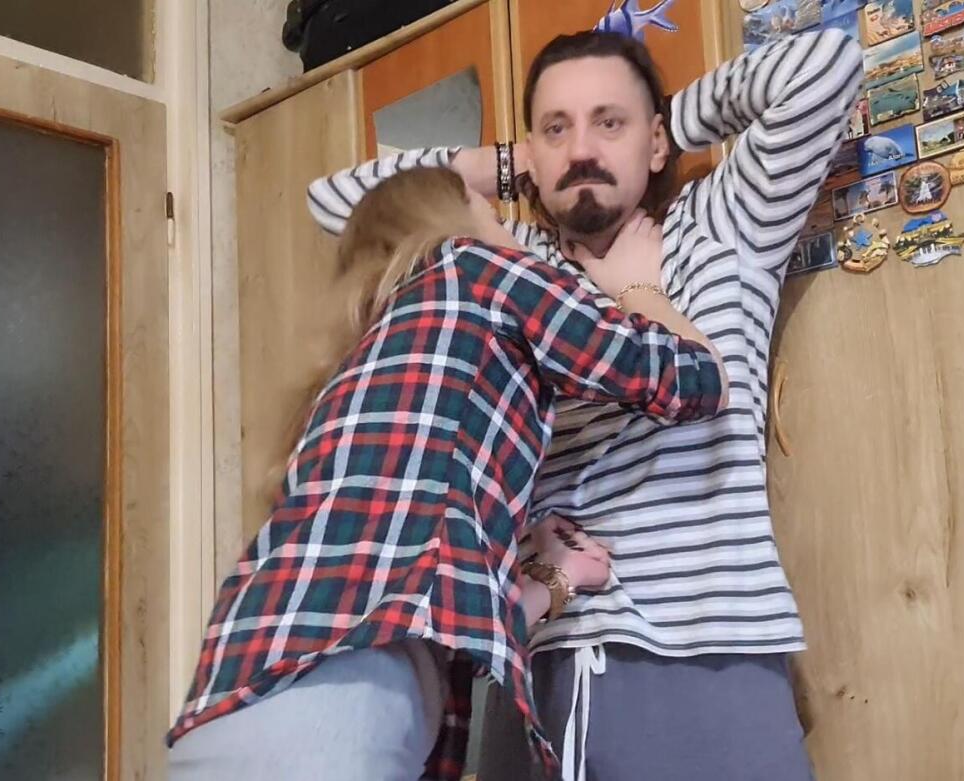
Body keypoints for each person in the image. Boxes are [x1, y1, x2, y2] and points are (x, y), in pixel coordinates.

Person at [306, 25, 862, 781]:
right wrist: (516, 162)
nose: (582, 151)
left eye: (609, 122)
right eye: (556, 129)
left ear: (655, 141)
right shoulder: (509, 265)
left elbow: (825, 65)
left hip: (709, 649)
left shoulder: (725, 226)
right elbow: (340, 201)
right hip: (545, 650)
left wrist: (660, 126)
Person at [167, 166, 729, 781]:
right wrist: (637, 285)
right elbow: (696, 378)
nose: (512, 228)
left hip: (227, 710)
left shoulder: (361, 369)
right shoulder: (475, 268)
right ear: (461, 208)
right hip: (330, 722)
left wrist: (555, 581)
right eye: (494, 211)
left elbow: (422, 611)